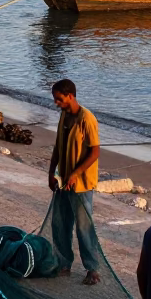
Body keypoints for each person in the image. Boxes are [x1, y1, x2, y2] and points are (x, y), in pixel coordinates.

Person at [47, 78, 101, 284]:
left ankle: (92, 269)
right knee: (60, 223)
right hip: (63, 180)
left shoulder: (87, 119)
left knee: (83, 226)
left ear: (70, 96)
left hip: (82, 184)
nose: (56, 103)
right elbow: (58, 147)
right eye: (55, 100)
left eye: (59, 99)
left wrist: (76, 173)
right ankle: (63, 264)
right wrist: (51, 172)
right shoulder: (64, 115)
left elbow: (95, 152)